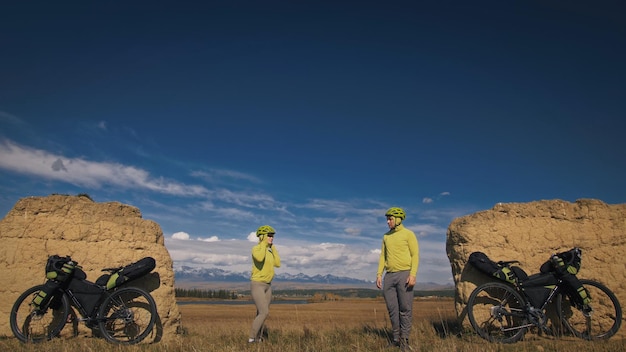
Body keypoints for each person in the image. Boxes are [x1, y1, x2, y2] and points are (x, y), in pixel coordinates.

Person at [376, 207, 419, 351]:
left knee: (405, 309)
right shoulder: (386, 236)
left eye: (390, 219)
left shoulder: (409, 234)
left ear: (398, 219)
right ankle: (396, 339)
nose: (388, 222)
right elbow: (383, 256)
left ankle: (405, 342)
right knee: (392, 309)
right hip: (389, 276)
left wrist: (412, 274)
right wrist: (379, 274)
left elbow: (415, 255)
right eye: (387, 219)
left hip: (405, 274)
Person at [248, 225, 281, 343]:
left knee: (260, 313)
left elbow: (277, 263)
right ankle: (251, 339)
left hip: (268, 285)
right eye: (269, 235)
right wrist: (263, 243)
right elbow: (260, 258)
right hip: (258, 284)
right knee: (264, 312)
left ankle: (258, 338)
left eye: (273, 236)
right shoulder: (256, 249)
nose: (272, 238)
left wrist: (273, 248)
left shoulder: (270, 250)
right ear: (262, 236)